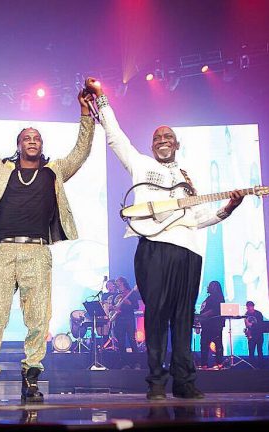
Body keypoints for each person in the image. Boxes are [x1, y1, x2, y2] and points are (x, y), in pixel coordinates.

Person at [85, 77, 244, 399]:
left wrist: (229, 208)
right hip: (154, 247)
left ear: (177, 144)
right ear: (152, 144)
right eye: (157, 136)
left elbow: (200, 219)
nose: (162, 139)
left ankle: (185, 383)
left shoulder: (188, 177)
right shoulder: (141, 164)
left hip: (189, 250)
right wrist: (102, 99)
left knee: (184, 316)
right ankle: (156, 382)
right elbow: (115, 138)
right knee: (156, 313)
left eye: (168, 136)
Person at [0, 90, 95, 403]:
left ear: (42, 145)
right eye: (27, 137)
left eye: (37, 137)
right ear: (18, 144)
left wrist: (84, 113)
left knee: (38, 318)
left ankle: (31, 379)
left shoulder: (54, 171)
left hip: (38, 252)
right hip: (2, 251)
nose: (32, 140)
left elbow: (81, 152)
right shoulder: (1, 169)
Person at [112, 276, 139, 367]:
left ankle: (136, 362)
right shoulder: (116, 294)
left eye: (117, 281)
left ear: (122, 282)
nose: (116, 283)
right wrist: (114, 309)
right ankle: (123, 362)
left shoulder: (131, 293)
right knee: (121, 342)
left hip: (129, 320)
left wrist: (129, 303)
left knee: (132, 340)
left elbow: (136, 306)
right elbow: (113, 306)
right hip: (119, 320)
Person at [198, 281, 226, 370]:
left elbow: (214, 310)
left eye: (210, 286)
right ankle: (204, 364)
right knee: (204, 345)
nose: (208, 287)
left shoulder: (218, 298)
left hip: (214, 326)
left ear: (214, 288)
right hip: (206, 325)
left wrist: (202, 316)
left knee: (217, 345)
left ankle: (219, 363)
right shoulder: (209, 298)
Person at [244, 301, 265, 368]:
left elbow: (260, 324)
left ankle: (261, 366)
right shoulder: (246, 314)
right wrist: (247, 332)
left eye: (250, 307)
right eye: (248, 307)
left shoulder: (258, 314)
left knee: (260, 350)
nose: (249, 308)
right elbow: (247, 325)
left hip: (259, 335)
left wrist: (252, 324)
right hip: (251, 335)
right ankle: (251, 366)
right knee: (251, 351)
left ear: (253, 306)